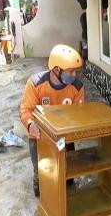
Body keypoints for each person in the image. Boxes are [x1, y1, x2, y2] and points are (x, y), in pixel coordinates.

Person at [19, 45, 85, 197]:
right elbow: (25, 110)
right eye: (71, 71)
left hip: (64, 137)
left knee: (69, 173)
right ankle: (41, 204)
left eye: (76, 70)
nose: (74, 75)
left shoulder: (77, 87)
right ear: (56, 70)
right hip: (39, 138)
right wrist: (30, 124)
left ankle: (69, 199)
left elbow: (79, 115)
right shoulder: (35, 84)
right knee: (41, 175)